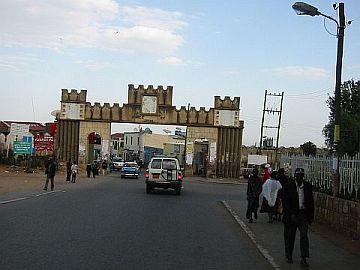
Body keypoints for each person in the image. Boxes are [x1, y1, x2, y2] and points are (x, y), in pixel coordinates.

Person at [282, 168, 314, 267]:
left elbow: (311, 202)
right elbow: (286, 202)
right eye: (298, 175)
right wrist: (291, 214)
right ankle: (289, 255)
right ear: (295, 176)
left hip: (303, 214)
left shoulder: (307, 186)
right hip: (292, 215)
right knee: (290, 236)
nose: (299, 177)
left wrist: (310, 217)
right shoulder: (288, 187)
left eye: (301, 175)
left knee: (304, 236)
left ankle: (304, 257)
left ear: (303, 176)